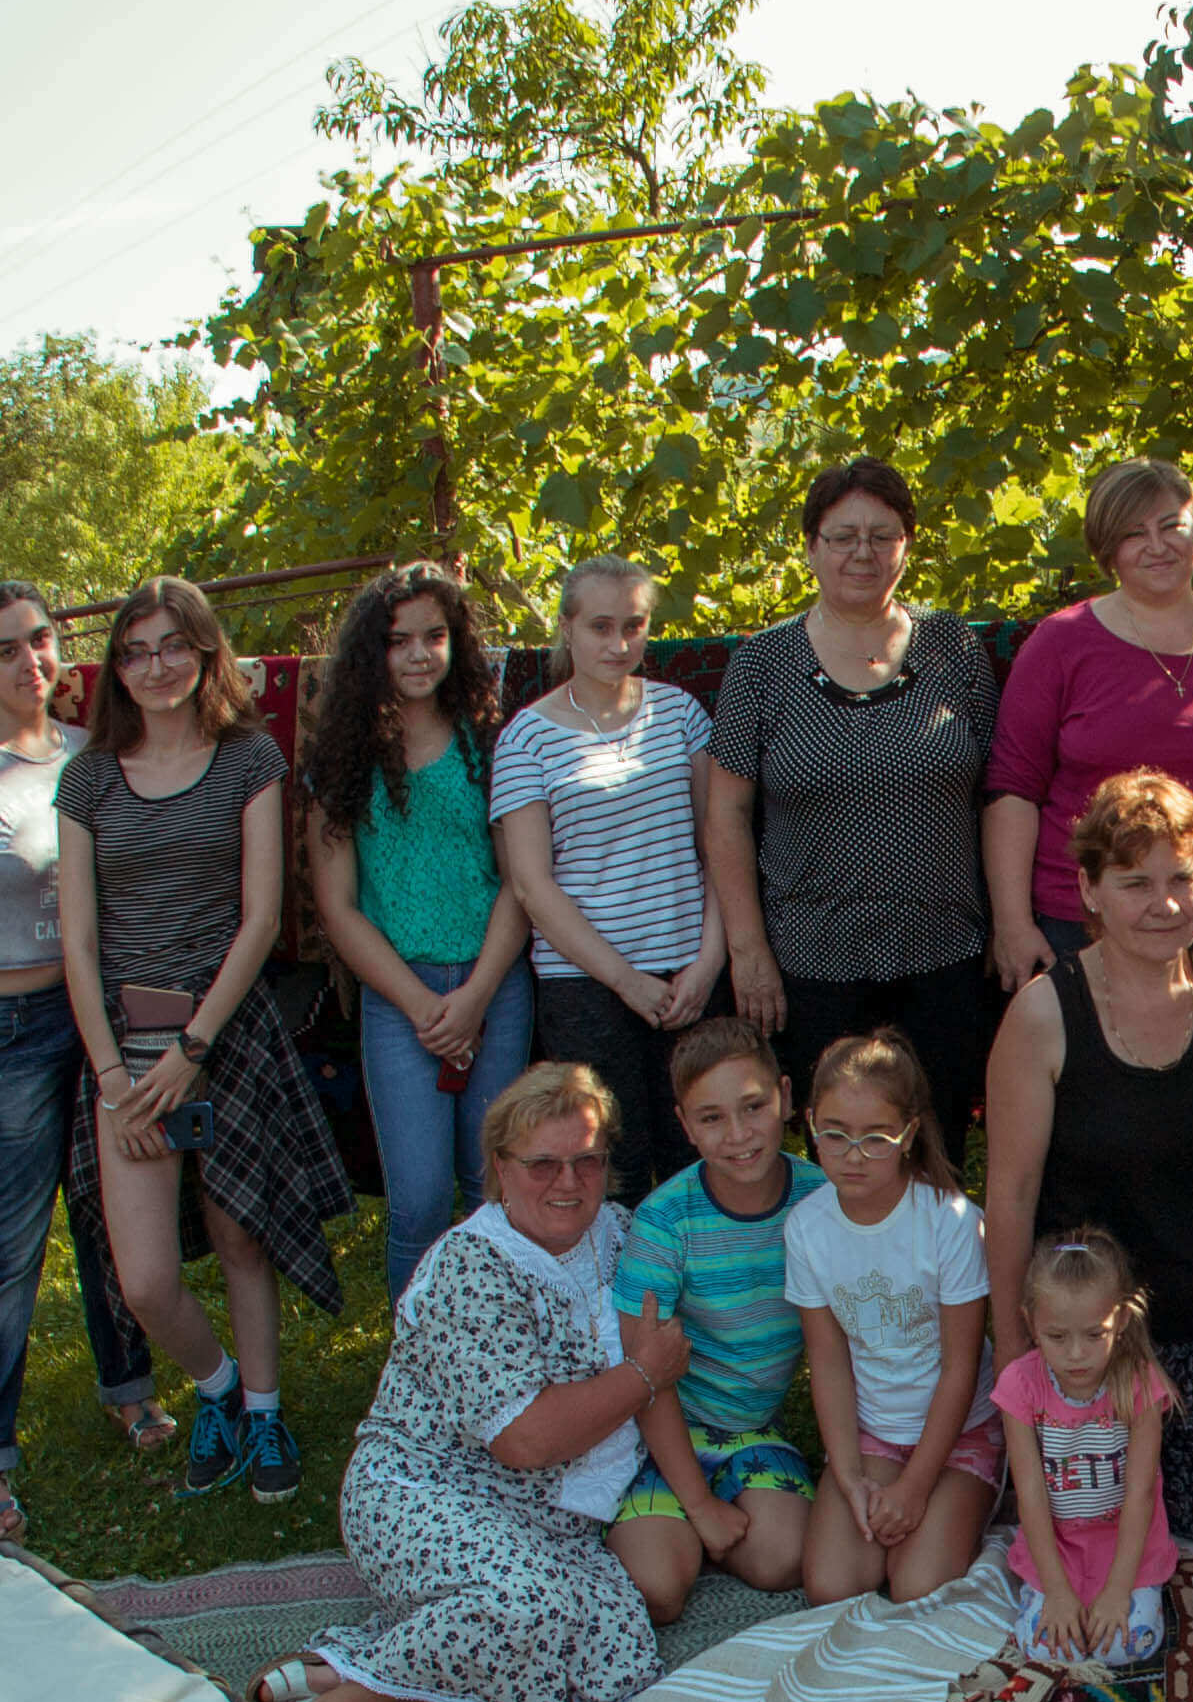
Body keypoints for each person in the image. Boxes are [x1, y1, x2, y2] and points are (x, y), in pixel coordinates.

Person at [248, 1065, 674, 1702]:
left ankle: (342, 1668)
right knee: (531, 1612)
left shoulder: (622, 1236)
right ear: (500, 1169)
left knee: (612, 1643)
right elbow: (525, 1439)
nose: (569, 1182)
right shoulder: (470, 1266)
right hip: (422, 1488)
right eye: (542, 1164)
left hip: (546, 1519)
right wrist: (643, 1375)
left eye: (588, 1161)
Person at [54, 575, 351, 1504]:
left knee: (241, 1237)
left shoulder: (248, 759)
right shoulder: (88, 778)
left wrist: (194, 1048)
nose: (155, 667)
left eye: (173, 646)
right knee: (144, 1279)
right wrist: (113, 1076)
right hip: (126, 1052)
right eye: (135, 651)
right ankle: (216, 1387)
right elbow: (77, 940)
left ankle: (264, 1414)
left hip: (226, 1034)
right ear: (116, 668)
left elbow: (262, 918)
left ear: (206, 652)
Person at [0, 579, 173, 1544]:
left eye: (41, 640)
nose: (31, 661)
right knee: (9, 1246)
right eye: (7, 648)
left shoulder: (92, 758)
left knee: (107, 1213)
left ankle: (129, 1388)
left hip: (93, 1013)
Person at [981, 768, 1193, 1548]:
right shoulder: (1041, 1013)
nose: (1164, 904)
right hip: (1084, 1326)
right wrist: (1015, 1343)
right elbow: (1012, 1190)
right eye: (1135, 883)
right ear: (1089, 890)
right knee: (1083, 1518)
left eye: (1182, 879)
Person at [705, 458, 1003, 1147]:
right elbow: (725, 816)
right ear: (812, 547)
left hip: (945, 951)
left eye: (882, 535)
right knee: (839, 1154)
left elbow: (999, 795)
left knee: (937, 1150)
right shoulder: (762, 664)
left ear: (908, 545)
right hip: (813, 960)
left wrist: (1007, 923)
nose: (862, 553)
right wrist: (747, 950)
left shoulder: (953, 648)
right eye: (843, 537)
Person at [983, 458, 1193, 986]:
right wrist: (1012, 923)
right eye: (1134, 533)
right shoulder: (1059, 643)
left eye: (1171, 526)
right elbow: (1012, 789)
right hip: (1089, 925)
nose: (1157, 547)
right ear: (1107, 547)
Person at [300, 561, 533, 1293]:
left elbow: (519, 881)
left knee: (494, 1189)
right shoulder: (342, 759)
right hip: (400, 998)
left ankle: (500, 1344)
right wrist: (424, 1006)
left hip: (494, 986)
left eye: (434, 636)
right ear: (371, 652)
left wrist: (475, 996)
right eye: (398, 640)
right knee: (421, 1199)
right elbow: (338, 907)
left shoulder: (490, 743)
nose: (418, 655)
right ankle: (418, 1357)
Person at [492, 553, 715, 1202]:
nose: (618, 644)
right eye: (600, 626)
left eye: (633, 626)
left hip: (688, 978)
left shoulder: (681, 714)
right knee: (611, 1167)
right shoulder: (526, 739)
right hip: (586, 987)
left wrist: (707, 964)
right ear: (566, 627)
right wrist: (624, 980)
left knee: (701, 1159)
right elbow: (532, 885)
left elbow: (719, 845)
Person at [608, 1017, 824, 1619]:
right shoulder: (665, 1220)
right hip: (663, 1434)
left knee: (783, 1561)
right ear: (684, 1124)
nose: (738, 1135)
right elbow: (645, 1375)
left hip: (754, 1430)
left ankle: (699, 1528)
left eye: (753, 1107)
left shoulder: (820, 1201)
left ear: (784, 1097)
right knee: (655, 1588)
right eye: (711, 1118)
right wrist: (700, 1505)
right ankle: (683, 1521)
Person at [784, 1029, 998, 1604]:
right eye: (835, 1134)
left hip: (960, 1429)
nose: (854, 1155)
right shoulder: (806, 1227)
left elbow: (959, 1368)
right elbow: (828, 1362)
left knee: (916, 1586)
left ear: (909, 1135)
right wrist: (849, 1476)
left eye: (876, 1137)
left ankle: (982, 1493)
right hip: (874, 1432)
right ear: (810, 1123)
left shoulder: (950, 1221)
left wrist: (916, 1488)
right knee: (831, 1586)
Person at [993, 1229, 1179, 1665]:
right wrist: (1057, 1591)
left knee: (1124, 1647)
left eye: (1095, 1335)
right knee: (1050, 1649)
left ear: (1123, 1320)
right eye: (1057, 1337)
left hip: (1127, 1548)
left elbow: (1140, 1493)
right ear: (1030, 1323)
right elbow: (1031, 1494)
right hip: (1056, 1547)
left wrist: (1118, 1589)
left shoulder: (1139, 1382)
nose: (1076, 1354)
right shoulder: (1020, 1385)